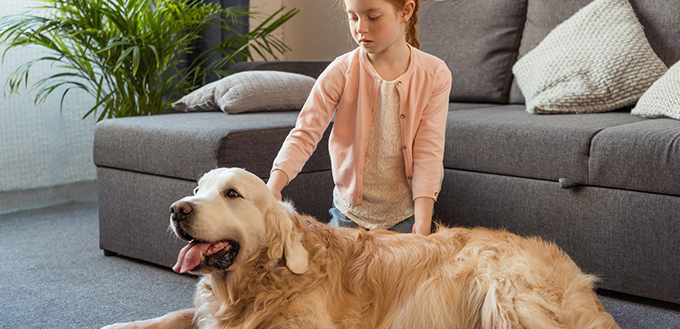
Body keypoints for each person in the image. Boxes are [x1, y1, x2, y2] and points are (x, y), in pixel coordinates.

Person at [267, 0, 452, 236]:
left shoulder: (435, 73)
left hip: (406, 217)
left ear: (405, 11)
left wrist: (423, 221)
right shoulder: (340, 71)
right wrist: (274, 185)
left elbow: (429, 150)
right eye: (353, 17)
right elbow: (305, 133)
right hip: (348, 215)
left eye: (373, 17)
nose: (360, 28)